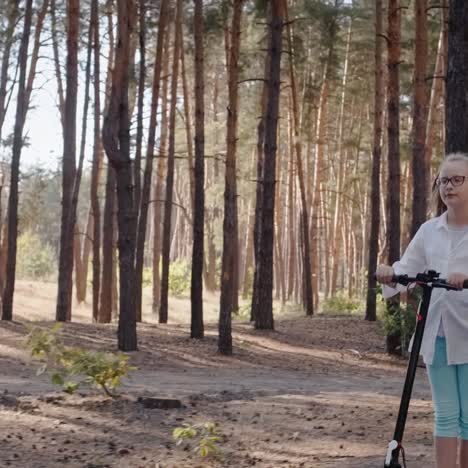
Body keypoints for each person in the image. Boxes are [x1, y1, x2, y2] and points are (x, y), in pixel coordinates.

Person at [376, 152, 468, 468]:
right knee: (445, 414)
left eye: (458, 179)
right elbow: (408, 267)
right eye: (444, 180)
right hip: (436, 334)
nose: (449, 186)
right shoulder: (429, 230)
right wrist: (390, 273)